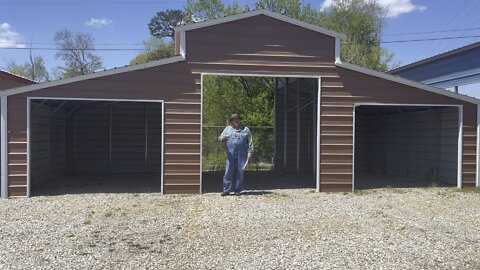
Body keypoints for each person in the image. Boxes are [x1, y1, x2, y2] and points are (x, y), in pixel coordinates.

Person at [218, 114, 254, 196]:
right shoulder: (227, 129)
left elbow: (250, 142)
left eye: (237, 119)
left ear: (240, 120)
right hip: (230, 154)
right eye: (234, 119)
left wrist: (250, 153)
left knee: (240, 172)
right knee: (228, 171)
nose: (236, 121)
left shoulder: (246, 129)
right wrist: (222, 138)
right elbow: (220, 138)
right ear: (231, 121)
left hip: (242, 154)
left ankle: (237, 190)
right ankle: (226, 190)